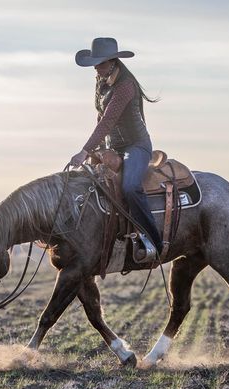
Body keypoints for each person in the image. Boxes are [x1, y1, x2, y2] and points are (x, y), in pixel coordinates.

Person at [70, 37, 163, 257]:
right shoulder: (102, 81)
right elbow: (100, 115)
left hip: (136, 146)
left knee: (130, 187)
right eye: (95, 63)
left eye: (100, 63)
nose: (96, 67)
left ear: (113, 61)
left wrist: (84, 150)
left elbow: (108, 121)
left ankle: (154, 242)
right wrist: (97, 150)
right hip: (113, 147)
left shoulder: (126, 86)